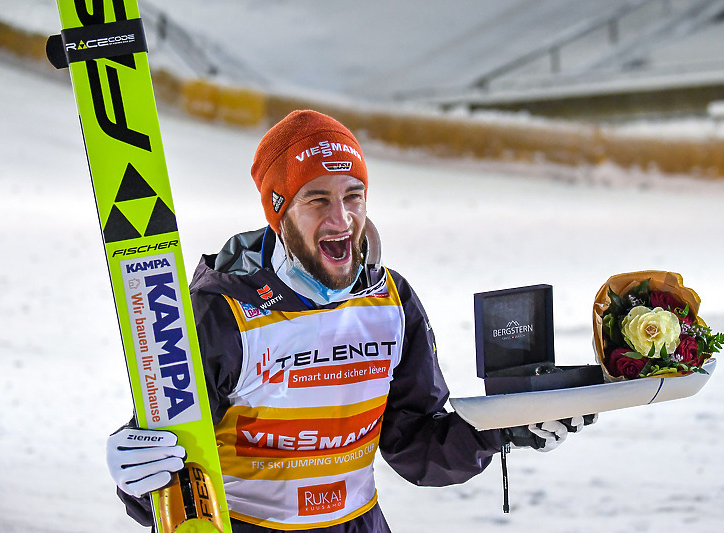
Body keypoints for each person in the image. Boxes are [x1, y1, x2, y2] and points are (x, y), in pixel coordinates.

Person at [106, 110, 593, 532]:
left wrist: (503, 428)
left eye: (353, 195)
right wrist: (137, 477)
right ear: (279, 213)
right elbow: (172, 463)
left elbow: (416, 444)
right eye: (316, 199)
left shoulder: (393, 301)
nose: (341, 219)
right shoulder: (221, 312)